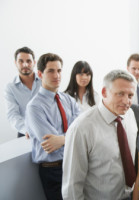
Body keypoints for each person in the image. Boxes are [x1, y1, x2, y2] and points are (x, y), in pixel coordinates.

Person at [62, 70, 138, 200]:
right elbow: (72, 186)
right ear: (104, 92)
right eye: (120, 94)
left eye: (130, 95)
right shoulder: (81, 128)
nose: (126, 101)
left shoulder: (130, 114)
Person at [25, 53, 80, 200]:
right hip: (53, 170)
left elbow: (82, 130)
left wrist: (62, 139)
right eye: (51, 71)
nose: (57, 75)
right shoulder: (34, 107)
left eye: (59, 70)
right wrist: (71, 137)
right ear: (40, 74)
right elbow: (51, 143)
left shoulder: (68, 99)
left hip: (74, 163)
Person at [4, 47, 41, 138]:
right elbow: (13, 115)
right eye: (21, 61)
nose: (25, 64)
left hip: (47, 130)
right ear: (15, 63)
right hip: (25, 133)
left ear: (34, 63)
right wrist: (27, 129)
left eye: (28, 61)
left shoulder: (44, 81)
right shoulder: (10, 88)